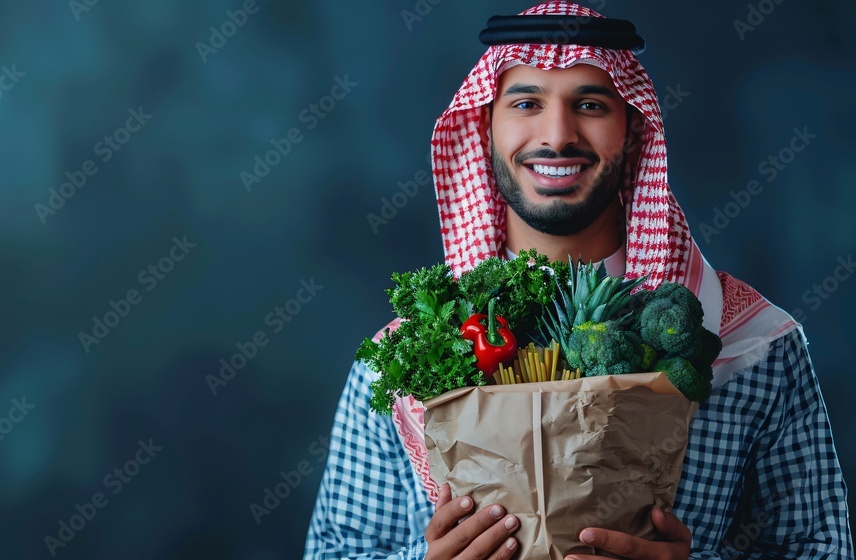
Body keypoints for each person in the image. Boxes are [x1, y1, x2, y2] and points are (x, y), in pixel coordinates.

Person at [303, 2, 853, 559]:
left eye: (590, 104)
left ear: (632, 129)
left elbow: (821, 548)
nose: (558, 135)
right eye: (526, 103)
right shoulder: (396, 363)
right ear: (483, 127)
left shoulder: (755, 344)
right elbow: (334, 551)